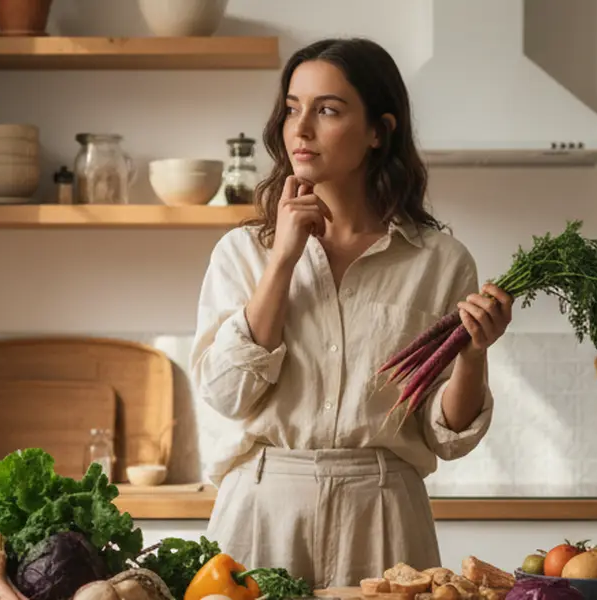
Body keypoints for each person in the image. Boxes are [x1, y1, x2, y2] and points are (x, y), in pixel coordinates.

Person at [189, 37, 514, 588]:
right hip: (263, 508)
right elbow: (227, 394)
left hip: (384, 513)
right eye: (292, 108)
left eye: (328, 110)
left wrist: (474, 354)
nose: (301, 128)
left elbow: (447, 436)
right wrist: (284, 260)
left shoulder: (439, 261)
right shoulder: (244, 252)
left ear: (378, 131)